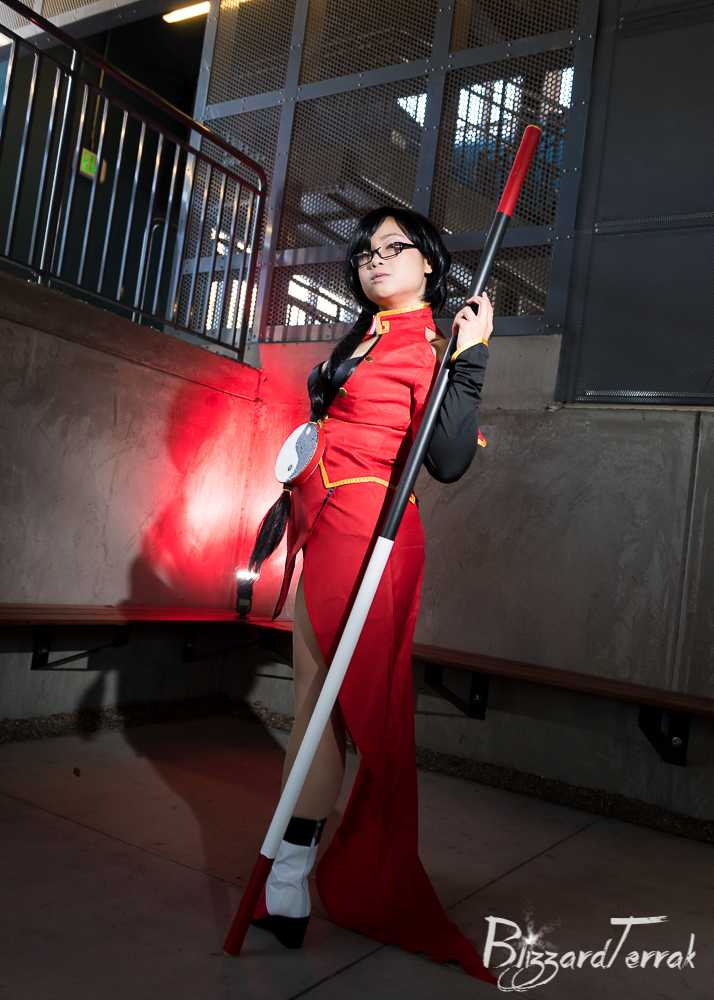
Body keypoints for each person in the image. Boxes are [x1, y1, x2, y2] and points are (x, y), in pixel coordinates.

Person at [250, 206, 496, 985]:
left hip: (371, 530)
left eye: (395, 247)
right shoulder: (361, 336)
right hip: (321, 520)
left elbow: (449, 460)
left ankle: (290, 878)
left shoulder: (432, 345)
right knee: (313, 703)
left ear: (429, 263)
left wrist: (472, 358)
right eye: (364, 253)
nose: (375, 259)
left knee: (330, 703)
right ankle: (290, 879)